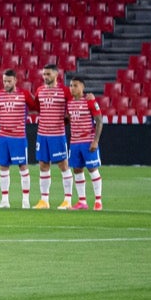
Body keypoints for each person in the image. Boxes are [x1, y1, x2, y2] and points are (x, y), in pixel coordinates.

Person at [0, 68, 37, 210]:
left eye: (9, 81)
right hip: (3, 137)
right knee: (3, 167)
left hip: (18, 137)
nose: (6, 84)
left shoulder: (24, 94)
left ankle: (25, 201)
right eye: (4, 81)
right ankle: (5, 200)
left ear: (15, 81)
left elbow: (35, 107)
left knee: (23, 166)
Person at [33, 62, 74, 211]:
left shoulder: (64, 91)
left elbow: (71, 107)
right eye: (44, 74)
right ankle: (44, 200)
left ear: (57, 75)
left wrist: (68, 119)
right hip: (42, 134)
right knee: (43, 165)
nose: (45, 77)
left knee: (63, 165)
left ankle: (67, 200)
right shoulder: (40, 91)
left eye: (48, 74)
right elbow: (37, 108)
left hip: (57, 134)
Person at [65, 75, 104, 211]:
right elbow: (68, 119)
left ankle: (98, 201)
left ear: (83, 87)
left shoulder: (90, 101)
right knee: (77, 170)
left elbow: (99, 121)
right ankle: (82, 201)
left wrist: (95, 141)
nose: (72, 88)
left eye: (75, 85)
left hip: (88, 141)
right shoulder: (69, 103)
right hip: (74, 142)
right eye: (71, 85)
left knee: (92, 169)